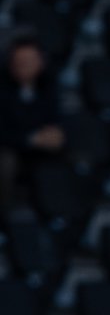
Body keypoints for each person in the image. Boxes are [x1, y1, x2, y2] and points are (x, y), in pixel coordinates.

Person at [0, 35, 63, 210]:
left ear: (41, 62)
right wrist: (30, 139)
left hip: (39, 150)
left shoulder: (48, 87)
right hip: (9, 147)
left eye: (30, 60)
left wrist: (56, 134)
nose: (24, 65)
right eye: (20, 61)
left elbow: (55, 120)